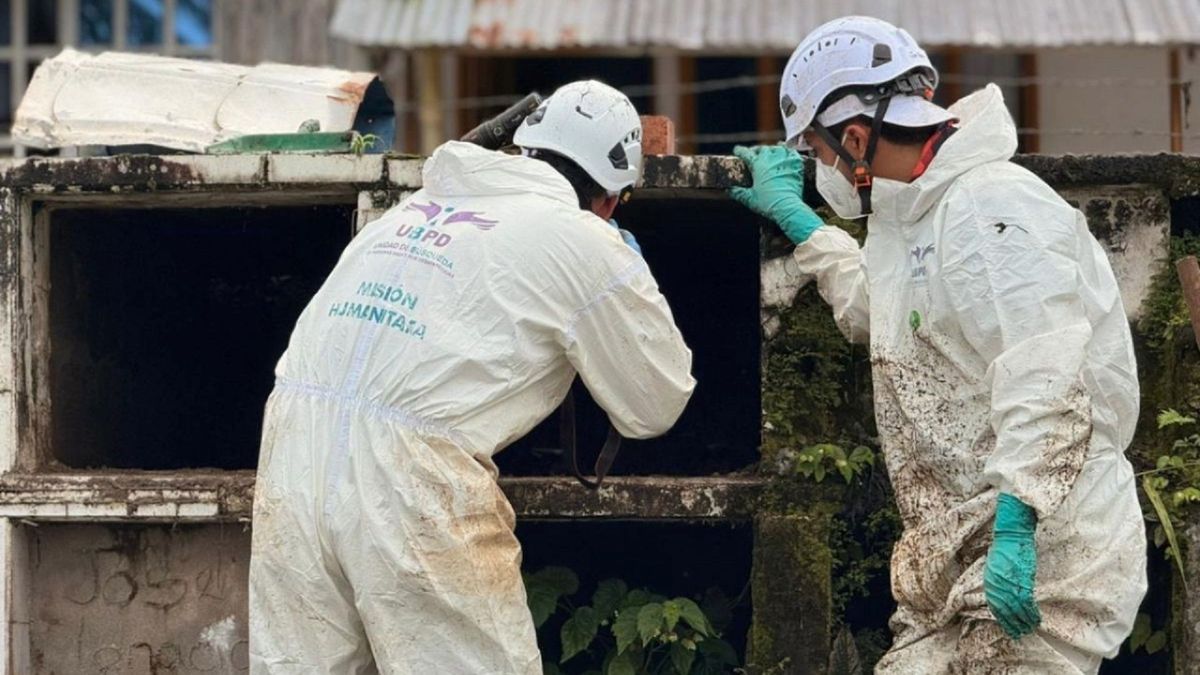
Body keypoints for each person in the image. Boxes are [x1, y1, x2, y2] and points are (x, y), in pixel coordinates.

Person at [731, 16, 1146, 674]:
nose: (822, 167)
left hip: (1042, 552)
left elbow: (1047, 376)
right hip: (952, 556)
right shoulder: (911, 214)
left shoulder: (992, 205)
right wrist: (805, 226)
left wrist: (1018, 522)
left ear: (856, 137)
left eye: (818, 149)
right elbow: (889, 318)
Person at [249, 80, 696, 674]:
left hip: (292, 453)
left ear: (527, 148)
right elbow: (654, 405)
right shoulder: (584, 238)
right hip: (412, 480)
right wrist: (625, 273)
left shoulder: (417, 207)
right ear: (612, 199)